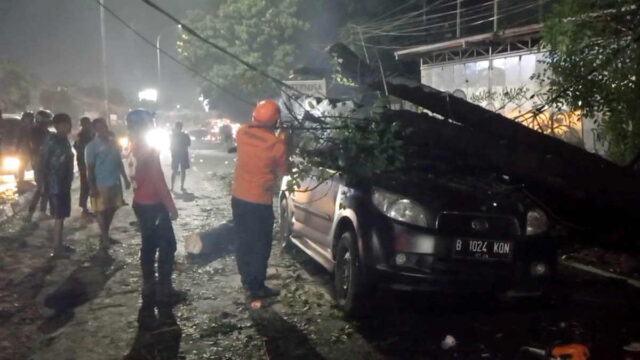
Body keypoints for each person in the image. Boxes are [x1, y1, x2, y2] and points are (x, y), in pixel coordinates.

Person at [126, 109, 186, 304]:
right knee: (168, 246)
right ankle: (165, 290)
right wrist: (171, 207)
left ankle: (149, 286)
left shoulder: (132, 145)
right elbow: (158, 179)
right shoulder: (147, 148)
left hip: (140, 203)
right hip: (153, 205)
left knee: (149, 246)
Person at [232, 100, 288, 303]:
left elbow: (253, 128)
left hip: (238, 197)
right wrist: (283, 137)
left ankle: (247, 281)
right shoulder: (276, 145)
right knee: (260, 244)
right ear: (275, 121)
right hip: (259, 201)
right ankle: (256, 288)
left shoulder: (241, 133)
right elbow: (284, 170)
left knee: (243, 240)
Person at [86, 118, 130, 248]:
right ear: (95, 130)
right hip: (101, 183)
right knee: (101, 211)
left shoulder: (113, 143)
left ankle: (104, 234)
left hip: (115, 182)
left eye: (104, 126)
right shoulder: (91, 147)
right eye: (99, 128)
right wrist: (92, 187)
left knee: (113, 208)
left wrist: (125, 178)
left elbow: (119, 162)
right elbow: (90, 168)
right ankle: (105, 238)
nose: (103, 130)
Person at [39, 113, 75, 257]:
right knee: (59, 215)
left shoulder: (64, 140)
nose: (67, 126)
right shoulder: (52, 140)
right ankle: (57, 248)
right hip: (55, 184)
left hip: (64, 184)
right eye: (64, 124)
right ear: (56, 125)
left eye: (68, 123)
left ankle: (59, 244)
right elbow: (43, 162)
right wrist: (42, 183)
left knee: (62, 215)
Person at [26, 110, 53, 221]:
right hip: (39, 162)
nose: (48, 122)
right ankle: (31, 212)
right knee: (41, 188)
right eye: (46, 119)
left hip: (47, 162)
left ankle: (41, 211)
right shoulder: (35, 131)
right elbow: (36, 146)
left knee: (46, 188)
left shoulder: (47, 132)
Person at [73, 116, 95, 215]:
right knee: (89, 186)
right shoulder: (83, 136)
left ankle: (86, 207)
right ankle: (87, 208)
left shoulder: (87, 134)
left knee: (87, 186)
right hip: (86, 164)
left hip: (85, 163)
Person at [170, 121, 191, 192]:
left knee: (174, 170)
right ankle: (182, 186)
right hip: (183, 153)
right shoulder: (185, 135)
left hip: (176, 154)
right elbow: (188, 144)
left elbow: (171, 146)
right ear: (182, 127)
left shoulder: (173, 135)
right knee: (183, 170)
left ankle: (172, 187)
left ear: (176, 127)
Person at [16, 112, 35, 186]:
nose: (28, 119)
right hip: (25, 149)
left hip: (34, 149)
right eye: (26, 118)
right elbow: (19, 139)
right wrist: (17, 149)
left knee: (36, 165)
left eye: (29, 118)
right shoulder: (22, 127)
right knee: (22, 165)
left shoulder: (35, 127)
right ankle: (21, 179)